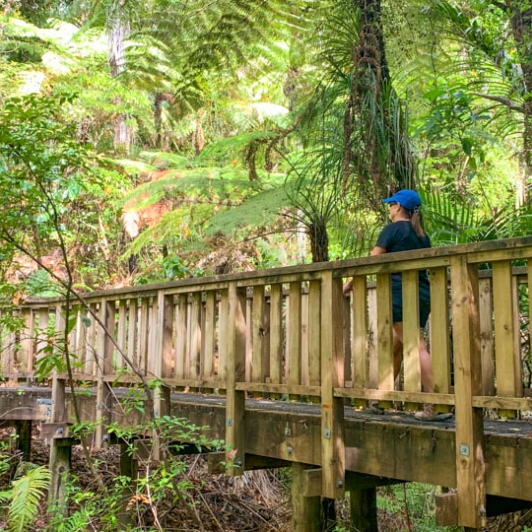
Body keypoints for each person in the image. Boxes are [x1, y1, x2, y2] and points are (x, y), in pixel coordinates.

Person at [344, 189, 451, 421]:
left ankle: (435, 405)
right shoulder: (421, 235)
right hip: (421, 295)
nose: (389, 208)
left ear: (399, 207)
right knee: (397, 347)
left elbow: (370, 261)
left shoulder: (392, 230)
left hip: (401, 296)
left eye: (391, 204)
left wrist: (350, 283)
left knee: (415, 346)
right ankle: (382, 400)